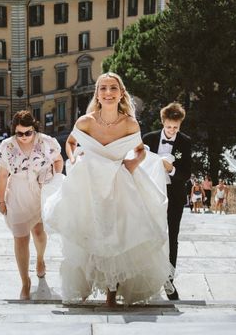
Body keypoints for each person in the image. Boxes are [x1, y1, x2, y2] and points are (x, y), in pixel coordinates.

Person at [44, 72, 172, 306]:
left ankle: (111, 294)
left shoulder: (130, 123)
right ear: (98, 94)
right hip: (89, 184)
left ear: (121, 93)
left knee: (116, 235)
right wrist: (73, 160)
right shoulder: (86, 121)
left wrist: (132, 163)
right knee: (88, 232)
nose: (108, 93)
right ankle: (83, 288)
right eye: (103, 88)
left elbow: (140, 149)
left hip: (117, 183)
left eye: (113, 88)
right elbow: (71, 143)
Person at [0, 110, 63, 300]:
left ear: (34, 129)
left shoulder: (46, 142)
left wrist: (55, 181)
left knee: (39, 233)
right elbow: (2, 175)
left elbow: (58, 161)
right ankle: (25, 282)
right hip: (17, 194)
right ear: (14, 132)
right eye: (19, 133)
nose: (24, 137)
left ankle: (40, 259)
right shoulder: (7, 146)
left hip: (40, 194)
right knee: (20, 239)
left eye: (28, 132)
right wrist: (1, 200)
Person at [142, 101, 192, 301]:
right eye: (169, 126)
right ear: (163, 122)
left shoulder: (185, 141)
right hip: (150, 193)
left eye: (176, 127)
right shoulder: (149, 138)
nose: (172, 131)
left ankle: (169, 280)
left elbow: (186, 173)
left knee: (172, 236)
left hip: (175, 195)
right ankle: (145, 277)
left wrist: (170, 169)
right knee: (148, 234)